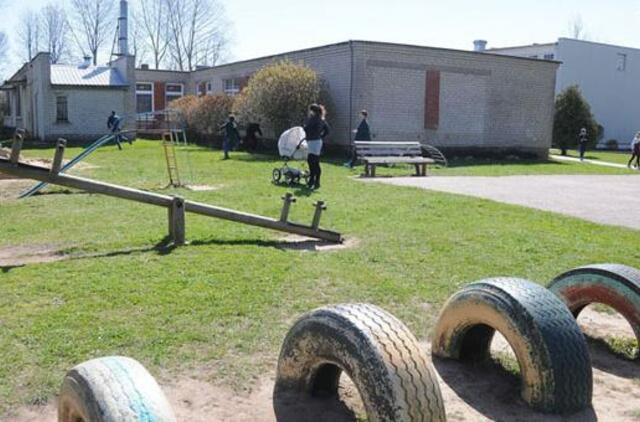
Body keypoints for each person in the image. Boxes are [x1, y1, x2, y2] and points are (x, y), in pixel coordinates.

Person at [303, 103, 330, 190]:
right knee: (315, 161)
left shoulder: (312, 119)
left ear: (312, 111)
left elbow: (307, 129)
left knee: (311, 161)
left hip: (312, 141)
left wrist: (304, 128)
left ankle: (312, 180)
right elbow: (327, 130)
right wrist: (321, 136)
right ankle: (316, 181)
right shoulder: (321, 119)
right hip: (318, 141)